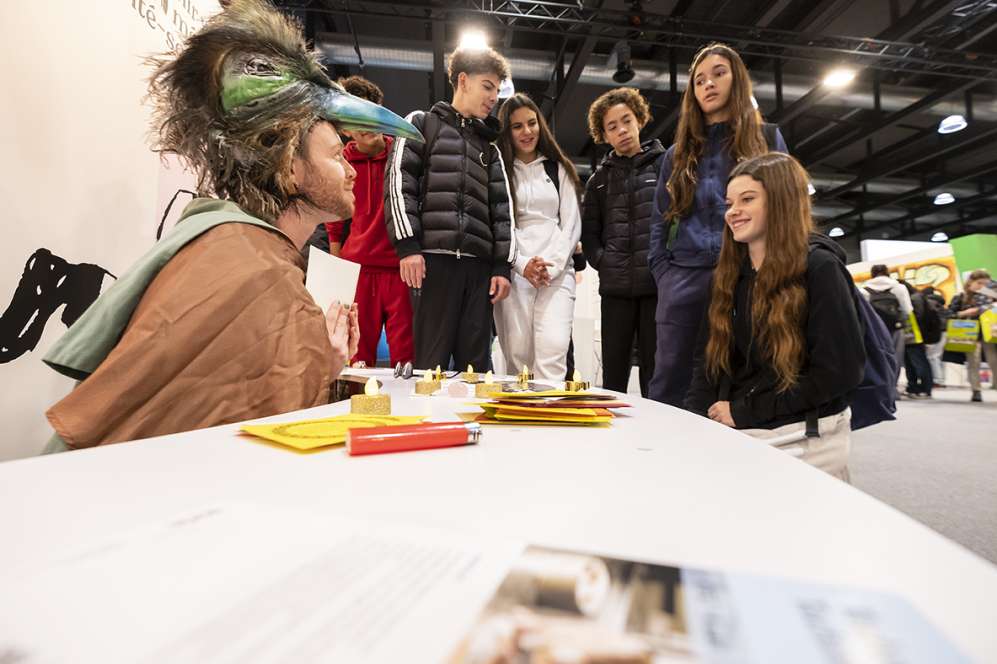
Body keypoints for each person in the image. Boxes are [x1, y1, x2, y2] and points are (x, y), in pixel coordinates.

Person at [41, 0, 421, 451]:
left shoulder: (239, 246)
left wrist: (325, 356)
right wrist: (317, 355)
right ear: (290, 169)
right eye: (337, 156)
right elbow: (258, 445)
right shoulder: (254, 268)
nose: (352, 171)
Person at [685, 153, 865, 481]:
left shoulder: (820, 268)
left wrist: (744, 411)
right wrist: (694, 421)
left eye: (747, 199)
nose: (732, 212)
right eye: (729, 203)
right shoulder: (727, 276)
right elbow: (707, 361)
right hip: (741, 425)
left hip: (803, 432)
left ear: (781, 202)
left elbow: (839, 372)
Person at [647, 43, 787, 407]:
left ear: (736, 78)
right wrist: (664, 273)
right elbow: (660, 220)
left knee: (742, 375)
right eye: (699, 80)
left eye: (719, 73)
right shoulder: (676, 155)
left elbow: (787, 208)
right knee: (670, 378)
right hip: (684, 276)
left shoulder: (766, 139)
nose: (708, 84)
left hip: (747, 274)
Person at [385, 46, 514, 372]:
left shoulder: (490, 149)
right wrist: (408, 246)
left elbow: (502, 210)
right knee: (430, 366)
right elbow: (399, 183)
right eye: (488, 86)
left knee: (478, 369)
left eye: (497, 91)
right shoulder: (420, 123)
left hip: (479, 271)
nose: (494, 98)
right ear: (463, 80)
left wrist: (502, 266)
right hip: (433, 264)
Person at [324, 75, 414, 367]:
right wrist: (338, 274)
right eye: (356, 118)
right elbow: (334, 221)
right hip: (357, 271)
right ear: (345, 128)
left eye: (371, 113)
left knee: (406, 358)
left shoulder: (402, 156)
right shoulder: (339, 162)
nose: (366, 124)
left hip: (400, 270)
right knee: (357, 357)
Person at [581, 88, 665, 395]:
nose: (622, 130)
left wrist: (664, 262)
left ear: (639, 119)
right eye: (612, 126)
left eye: (626, 120)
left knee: (656, 372)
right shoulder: (598, 181)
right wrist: (604, 262)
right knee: (614, 374)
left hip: (656, 287)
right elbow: (590, 234)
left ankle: (656, 424)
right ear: (604, 135)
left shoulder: (665, 166)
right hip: (615, 289)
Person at [493, 94, 582, 381]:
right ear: (507, 131)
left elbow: (571, 224)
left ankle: (549, 409)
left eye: (532, 123)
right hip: (515, 273)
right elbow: (499, 224)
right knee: (517, 357)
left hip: (556, 273)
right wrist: (522, 265)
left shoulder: (558, 168)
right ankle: (519, 411)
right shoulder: (499, 171)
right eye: (517, 126)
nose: (527, 131)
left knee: (553, 349)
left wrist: (550, 268)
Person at [861, 264, 913, 398]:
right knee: (895, 358)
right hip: (895, 328)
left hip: (873, 329)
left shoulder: (864, 289)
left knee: (876, 357)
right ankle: (892, 389)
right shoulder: (899, 287)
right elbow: (908, 310)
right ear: (887, 273)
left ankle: (880, 388)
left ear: (872, 273)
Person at [948, 269, 996, 402]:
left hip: (990, 332)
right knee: (973, 362)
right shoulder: (961, 297)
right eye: (979, 283)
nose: (982, 286)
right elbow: (949, 314)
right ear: (970, 282)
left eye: (985, 284)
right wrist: (965, 313)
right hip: (969, 333)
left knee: (994, 360)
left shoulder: (991, 295)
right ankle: (976, 390)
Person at [901, 281, 934, 398]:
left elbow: (918, 317)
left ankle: (925, 388)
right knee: (911, 363)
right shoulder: (915, 297)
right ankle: (913, 388)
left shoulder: (915, 298)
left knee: (918, 363)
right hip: (912, 336)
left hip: (915, 336)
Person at [921, 285, 949, 387]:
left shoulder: (928, 303)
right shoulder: (941, 305)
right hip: (945, 331)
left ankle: (937, 380)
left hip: (936, 332)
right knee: (939, 357)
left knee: (932, 356)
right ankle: (941, 379)